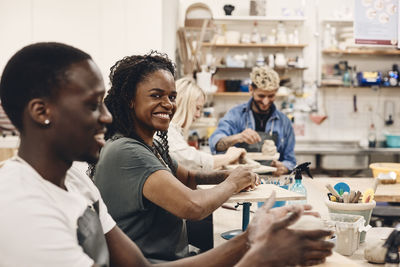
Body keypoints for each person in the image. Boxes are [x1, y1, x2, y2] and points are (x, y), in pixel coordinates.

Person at [0, 42, 333, 267]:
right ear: (41, 112)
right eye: (92, 105)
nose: (105, 116)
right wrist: (258, 257)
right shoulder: (23, 208)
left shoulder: (73, 182)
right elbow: (192, 205)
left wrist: (250, 239)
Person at [93, 52, 259, 262]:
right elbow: (193, 206)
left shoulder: (152, 145)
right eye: (156, 95)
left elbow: (189, 177)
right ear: (130, 99)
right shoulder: (127, 151)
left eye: (171, 97)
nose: (168, 104)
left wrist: (226, 175)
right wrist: (233, 183)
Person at [209, 66, 296, 176]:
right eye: (261, 96)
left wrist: (284, 168)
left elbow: (290, 160)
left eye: (271, 96)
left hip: (273, 180)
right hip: (239, 179)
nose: (265, 101)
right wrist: (238, 137)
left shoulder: (284, 122)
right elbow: (216, 144)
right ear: (251, 89)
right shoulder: (235, 115)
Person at [168, 76, 246, 171]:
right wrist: (228, 157)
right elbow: (191, 161)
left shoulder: (174, 131)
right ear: (184, 104)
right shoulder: (168, 131)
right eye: (197, 108)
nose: (198, 115)